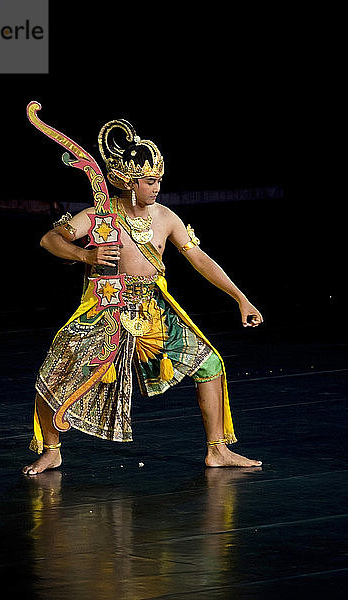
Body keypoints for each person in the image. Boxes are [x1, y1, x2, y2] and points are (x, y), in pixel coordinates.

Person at [22, 119, 263, 475]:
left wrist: (241, 298)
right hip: (107, 309)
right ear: (127, 183)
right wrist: (85, 256)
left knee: (209, 363)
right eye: (150, 181)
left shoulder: (165, 217)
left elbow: (199, 258)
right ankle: (51, 450)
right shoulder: (100, 216)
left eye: (159, 180)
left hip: (152, 309)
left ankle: (218, 450)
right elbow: (50, 239)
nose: (158, 187)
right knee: (55, 373)